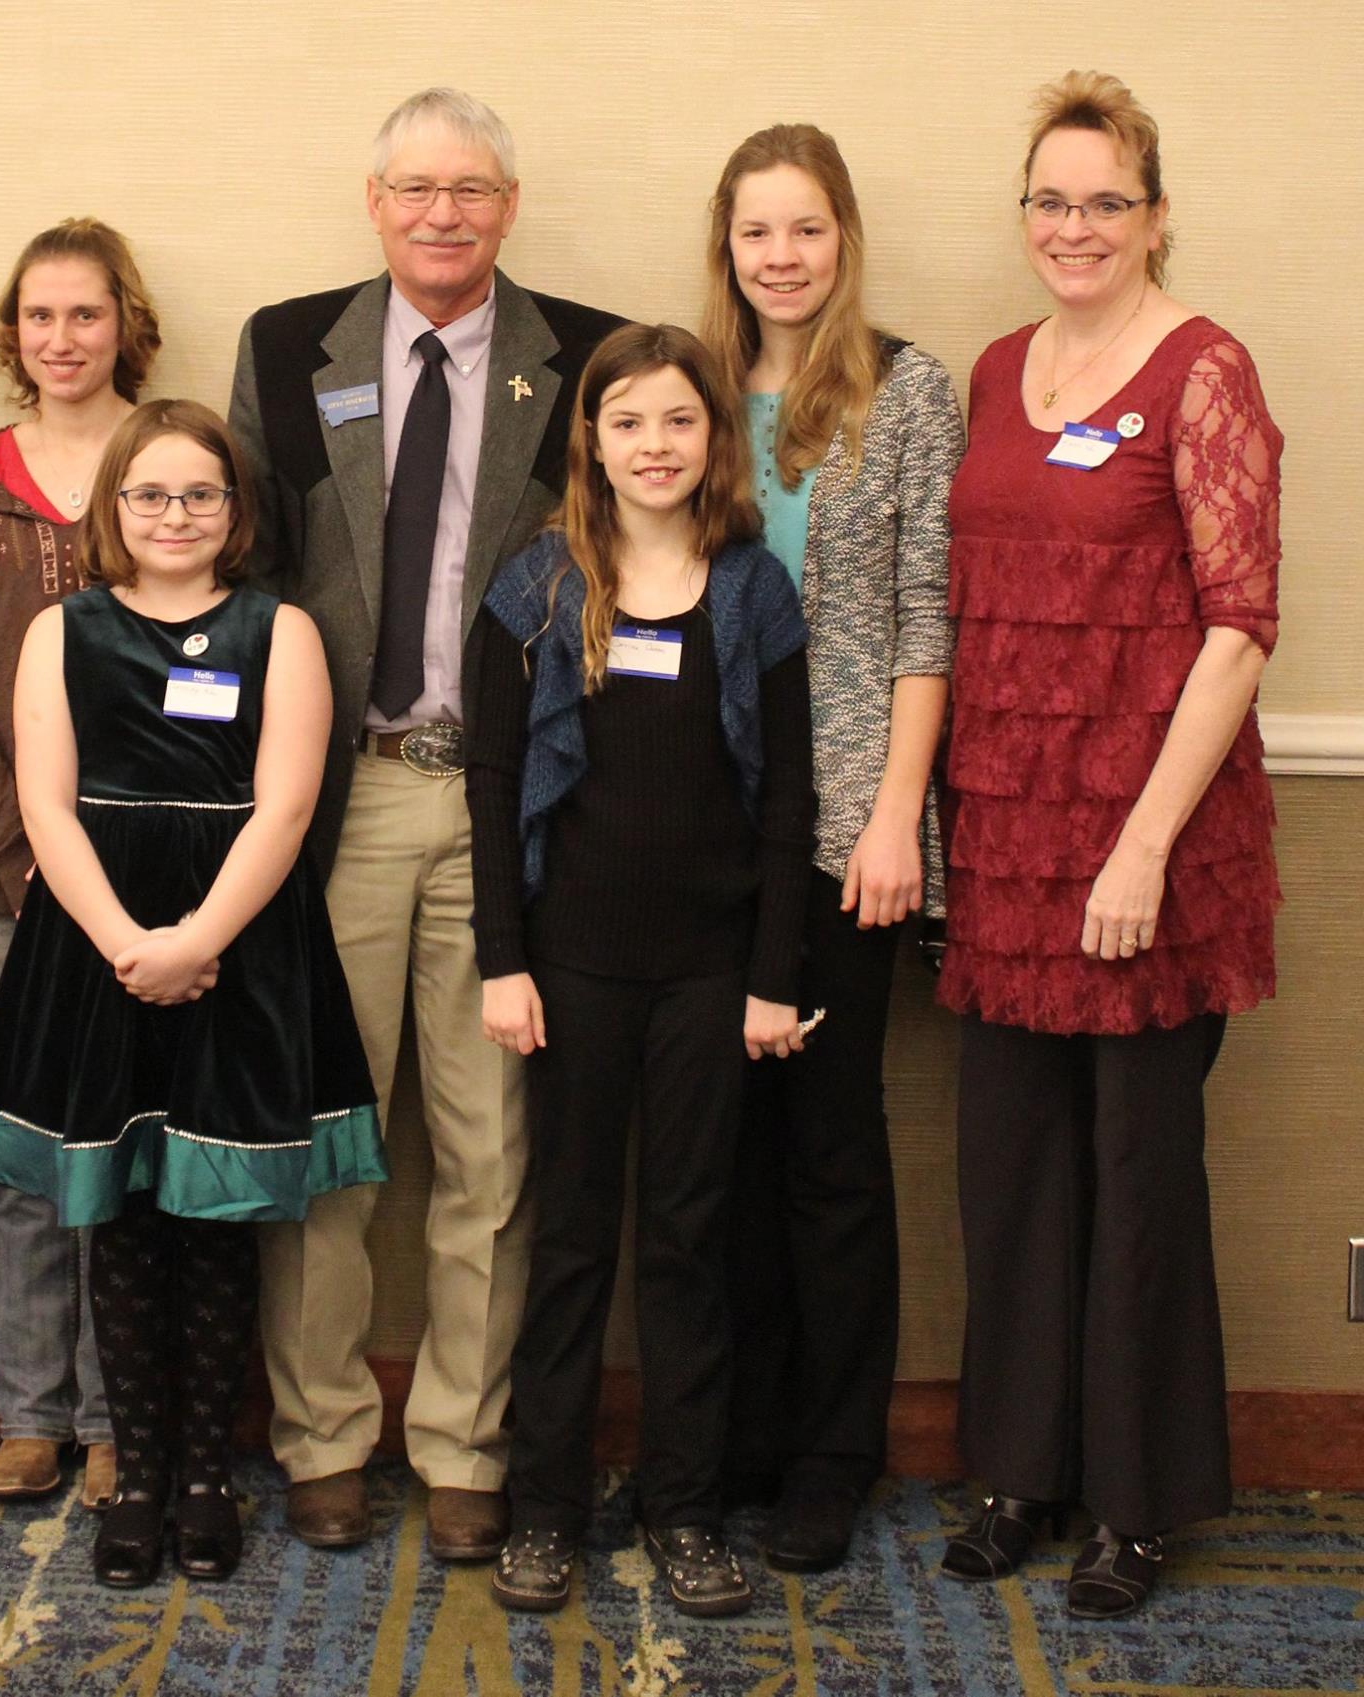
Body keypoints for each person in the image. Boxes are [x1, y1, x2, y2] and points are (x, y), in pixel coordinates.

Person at [227, 86, 622, 1560]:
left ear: (509, 207)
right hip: (342, 793)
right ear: (373, 201)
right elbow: (250, 557)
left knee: (490, 1148)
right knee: (330, 1131)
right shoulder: (286, 346)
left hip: (510, 799)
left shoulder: (579, 354)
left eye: (471, 190)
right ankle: (322, 1431)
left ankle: (465, 1441)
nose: (442, 214)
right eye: (415, 189)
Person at [937, 72, 1282, 1619]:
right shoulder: (1002, 368)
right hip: (1009, 842)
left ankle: (1135, 1506)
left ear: (1155, 215)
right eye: (1052, 201)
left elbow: (1238, 634)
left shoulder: (1205, 372)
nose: (1075, 227)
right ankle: (1022, 1468)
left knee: (1140, 1178)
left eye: (1106, 202)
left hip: (1151, 846)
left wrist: (1140, 849)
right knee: (1013, 1170)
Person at [0, 399, 383, 1588]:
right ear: (114, 511)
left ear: (234, 513)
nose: (174, 515)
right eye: (149, 495)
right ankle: (133, 1473)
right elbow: (45, 801)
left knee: (216, 1217)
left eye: (199, 494)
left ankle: (203, 1474)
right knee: (122, 1219)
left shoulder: (278, 627)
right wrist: (126, 941)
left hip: (239, 937)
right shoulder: (64, 630)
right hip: (98, 937)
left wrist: (197, 938)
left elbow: (286, 804)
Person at [467, 323, 814, 1616]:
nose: (655, 446)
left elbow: (787, 802)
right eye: (629, 423)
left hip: (713, 975)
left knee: (688, 1241)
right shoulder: (537, 586)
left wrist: (773, 977)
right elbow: (498, 784)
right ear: (592, 442)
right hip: (571, 973)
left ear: (713, 440)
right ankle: (545, 1510)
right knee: (567, 1243)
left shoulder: (753, 589)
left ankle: (685, 1510)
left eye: (680, 421)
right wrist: (506, 962)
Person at [698, 124, 965, 1571]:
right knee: (717, 1153)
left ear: (843, 239)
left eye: (807, 229)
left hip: (851, 821)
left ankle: (830, 1454)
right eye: (757, 232)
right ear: (727, 247)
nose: (782, 257)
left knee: (830, 1150)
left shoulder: (909, 393)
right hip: (706, 825)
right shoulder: (684, 391)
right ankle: (732, 1438)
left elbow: (931, 618)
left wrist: (894, 818)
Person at [0, 218, 162, 1512]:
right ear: (10, 335)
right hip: (8, 877)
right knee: (29, 1147)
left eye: (84, 313)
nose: (62, 338)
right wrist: (15, 846)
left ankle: (120, 1407)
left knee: (126, 1143)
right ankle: (32, 1410)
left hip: (145, 879)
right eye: (38, 316)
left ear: (124, 320)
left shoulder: (171, 463)